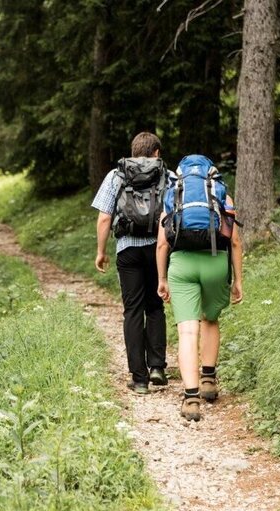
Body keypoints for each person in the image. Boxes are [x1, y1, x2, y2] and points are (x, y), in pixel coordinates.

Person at [155, 155, 244, 421]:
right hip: (215, 262)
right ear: (210, 174)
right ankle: (208, 380)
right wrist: (238, 279)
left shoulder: (174, 194)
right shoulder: (221, 195)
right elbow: (236, 242)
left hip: (182, 265)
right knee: (210, 319)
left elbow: (162, 244)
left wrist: (162, 278)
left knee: (187, 331)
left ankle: (191, 398)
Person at [92, 132, 172, 394]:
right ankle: (158, 367)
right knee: (155, 306)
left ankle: (139, 379)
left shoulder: (117, 175)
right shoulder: (167, 175)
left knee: (133, 311)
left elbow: (105, 218)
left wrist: (101, 251)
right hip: (157, 249)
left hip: (128, 250)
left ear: (133, 152)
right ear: (156, 153)